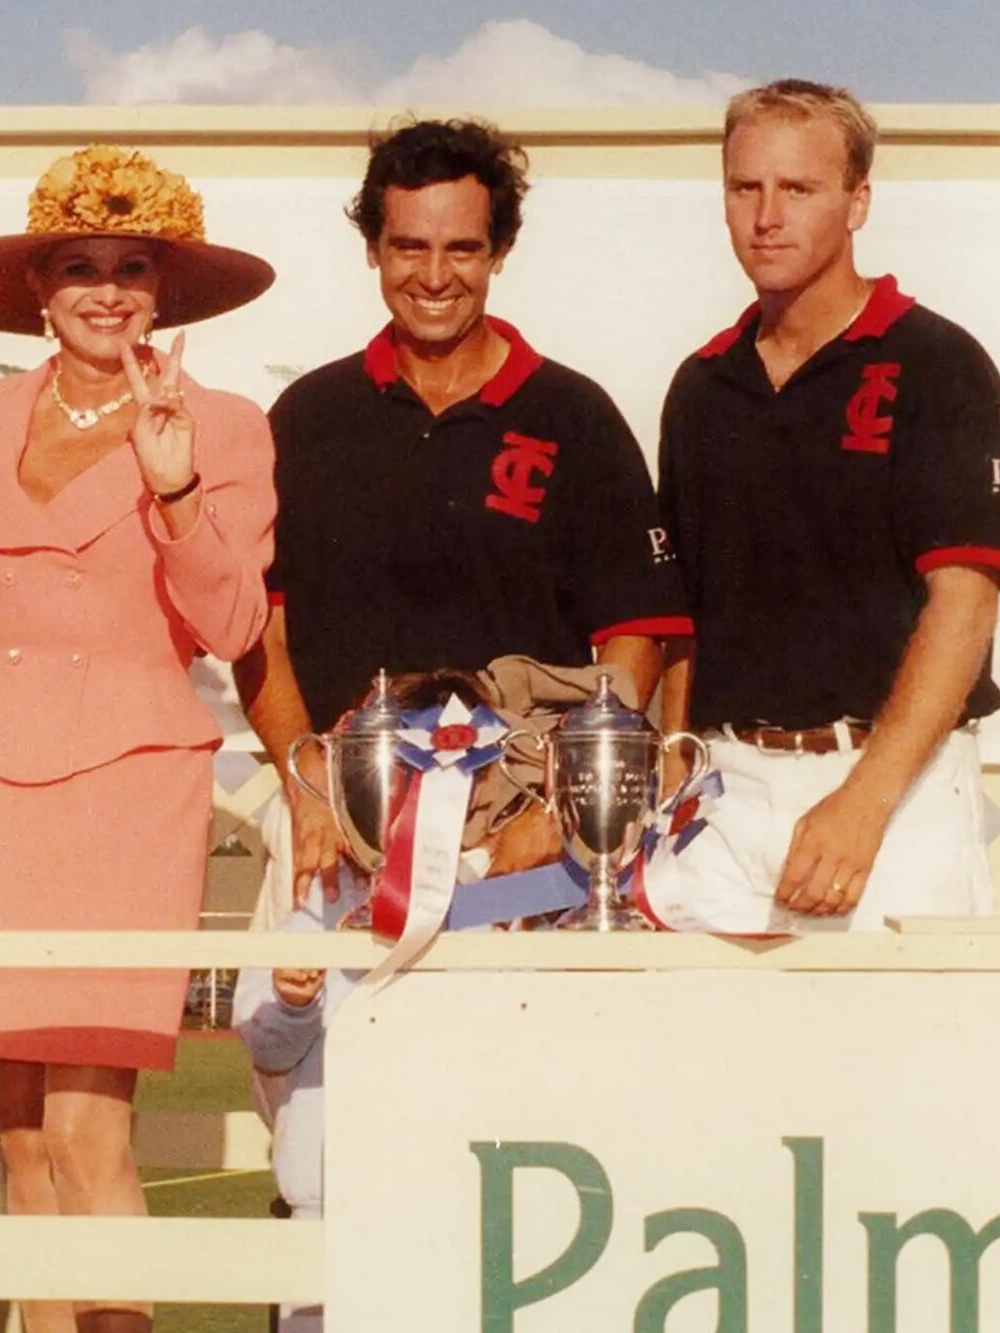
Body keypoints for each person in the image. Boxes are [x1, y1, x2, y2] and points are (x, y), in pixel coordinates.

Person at [230, 118, 693, 1333]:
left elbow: (637, 636)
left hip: (518, 856)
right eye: (405, 246)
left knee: (519, 1150)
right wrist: (302, 783)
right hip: (338, 830)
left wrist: (564, 802)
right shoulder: (311, 416)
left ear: (499, 252)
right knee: (324, 1161)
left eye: (461, 248)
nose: (432, 275)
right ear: (371, 247)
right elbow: (259, 632)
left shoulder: (575, 416)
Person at [0, 143, 276, 1333]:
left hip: (130, 789)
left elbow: (228, 622)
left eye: (130, 266)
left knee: (86, 1128)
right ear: (37, 286)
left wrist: (172, 489)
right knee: (18, 1139)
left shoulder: (221, 426)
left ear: (162, 288)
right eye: (78, 265)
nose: (105, 290)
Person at [643, 80, 1000, 933]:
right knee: (698, 1064)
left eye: (799, 189)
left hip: (893, 794)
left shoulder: (938, 362)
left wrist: (864, 800)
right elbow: (683, 614)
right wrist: (676, 763)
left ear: (857, 202)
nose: (767, 216)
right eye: (746, 188)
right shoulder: (702, 384)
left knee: (898, 1064)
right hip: (726, 796)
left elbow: (965, 606)